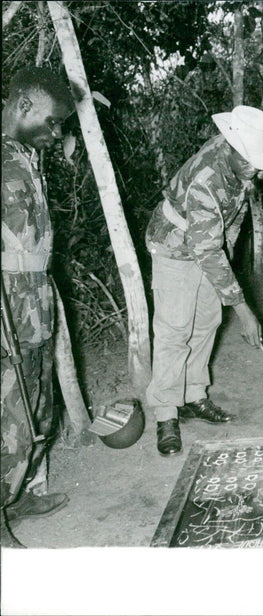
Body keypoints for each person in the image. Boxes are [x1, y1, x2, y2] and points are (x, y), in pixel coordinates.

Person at [145, 106, 263, 456]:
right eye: (249, 162)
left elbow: (227, 228)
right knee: (175, 330)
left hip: (209, 245)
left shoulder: (240, 163)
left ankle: (194, 395)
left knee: (207, 321)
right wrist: (243, 308)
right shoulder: (208, 178)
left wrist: (227, 271)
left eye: (259, 163)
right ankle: (165, 415)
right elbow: (204, 248)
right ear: (232, 147)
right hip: (175, 246)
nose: (254, 171)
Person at [2, 67, 74, 547]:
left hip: (33, 300)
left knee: (36, 410)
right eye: (52, 123)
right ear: (25, 106)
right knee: (7, 415)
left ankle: (17, 494)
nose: (57, 134)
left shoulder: (24, 154)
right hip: (6, 303)